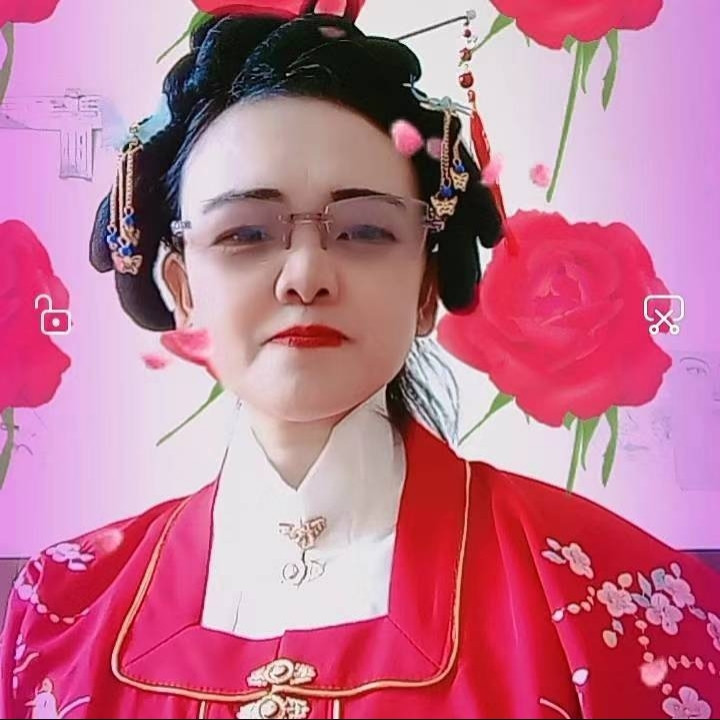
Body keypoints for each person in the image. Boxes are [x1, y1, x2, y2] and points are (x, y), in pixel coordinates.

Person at [2, 6, 720, 719]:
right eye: (245, 233)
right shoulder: (62, 615)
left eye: (366, 231)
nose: (305, 275)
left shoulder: (615, 602)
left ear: (427, 287)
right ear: (184, 290)